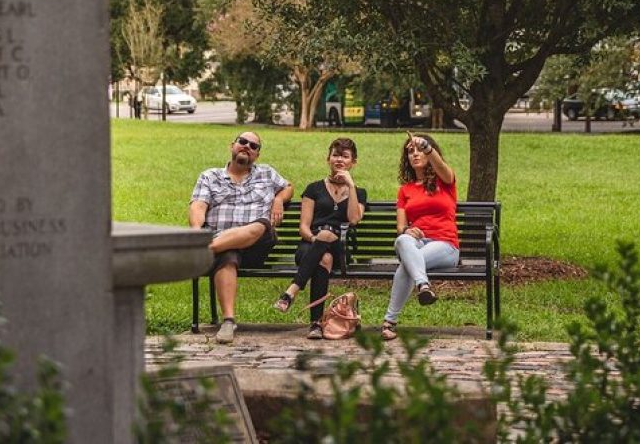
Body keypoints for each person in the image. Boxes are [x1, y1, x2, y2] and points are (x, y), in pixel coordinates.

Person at [190, 131, 293, 344]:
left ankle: (204, 250)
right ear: (232, 145)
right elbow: (198, 205)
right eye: (243, 142)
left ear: (256, 155)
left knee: (261, 226)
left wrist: (279, 199)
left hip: (257, 244)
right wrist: (197, 230)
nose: (247, 146)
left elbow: (288, 187)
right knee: (228, 254)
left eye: (253, 146)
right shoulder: (210, 176)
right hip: (224, 243)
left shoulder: (266, 174)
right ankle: (228, 321)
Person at [272, 138, 366, 339]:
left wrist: (350, 186)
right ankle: (315, 324)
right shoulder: (313, 188)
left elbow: (354, 219)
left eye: (345, 156)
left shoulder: (358, 192)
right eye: (335, 155)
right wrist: (318, 241)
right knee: (324, 258)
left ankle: (291, 291)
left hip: (340, 248)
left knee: (328, 241)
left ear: (353, 162)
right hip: (310, 247)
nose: (339, 160)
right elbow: (304, 228)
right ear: (328, 158)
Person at [381, 133, 459, 341]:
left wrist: (426, 146)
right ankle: (423, 285)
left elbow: (445, 170)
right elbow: (400, 227)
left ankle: (390, 321)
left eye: (418, 150)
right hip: (416, 242)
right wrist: (406, 230)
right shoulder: (404, 190)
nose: (415, 153)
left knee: (408, 264)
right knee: (402, 241)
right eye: (410, 151)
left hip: (445, 245)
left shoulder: (445, 181)